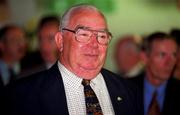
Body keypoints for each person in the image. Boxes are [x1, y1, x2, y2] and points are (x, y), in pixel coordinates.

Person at [4, 4, 142, 115]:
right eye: (83, 34)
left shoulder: (129, 91)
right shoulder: (20, 96)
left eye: (102, 36)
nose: (94, 44)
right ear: (60, 41)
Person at [129, 32, 180, 115]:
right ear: (144, 57)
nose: (170, 62)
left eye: (174, 55)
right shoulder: (126, 89)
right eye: (162, 55)